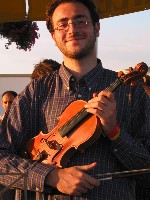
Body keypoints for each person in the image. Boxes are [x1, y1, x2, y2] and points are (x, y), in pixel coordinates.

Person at [0, 0, 150, 199]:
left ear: (97, 28)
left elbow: (147, 174)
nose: (72, 29)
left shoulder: (131, 93)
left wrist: (115, 131)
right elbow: (2, 164)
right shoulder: (36, 92)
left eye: (81, 21)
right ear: (54, 36)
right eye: (62, 24)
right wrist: (51, 176)